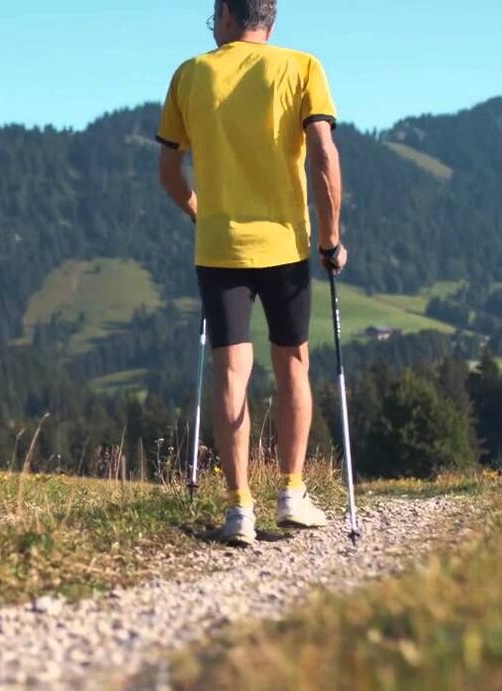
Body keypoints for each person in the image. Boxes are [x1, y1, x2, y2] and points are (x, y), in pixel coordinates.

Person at [157, 0, 347, 544]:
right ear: (271, 18)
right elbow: (324, 155)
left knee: (230, 371)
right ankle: (291, 493)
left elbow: (169, 170)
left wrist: (202, 212)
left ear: (222, 15)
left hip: (219, 247)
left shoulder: (191, 74)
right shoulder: (303, 66)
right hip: (285, 244)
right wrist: (331, 238)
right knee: (293, 363)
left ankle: (239, 508)